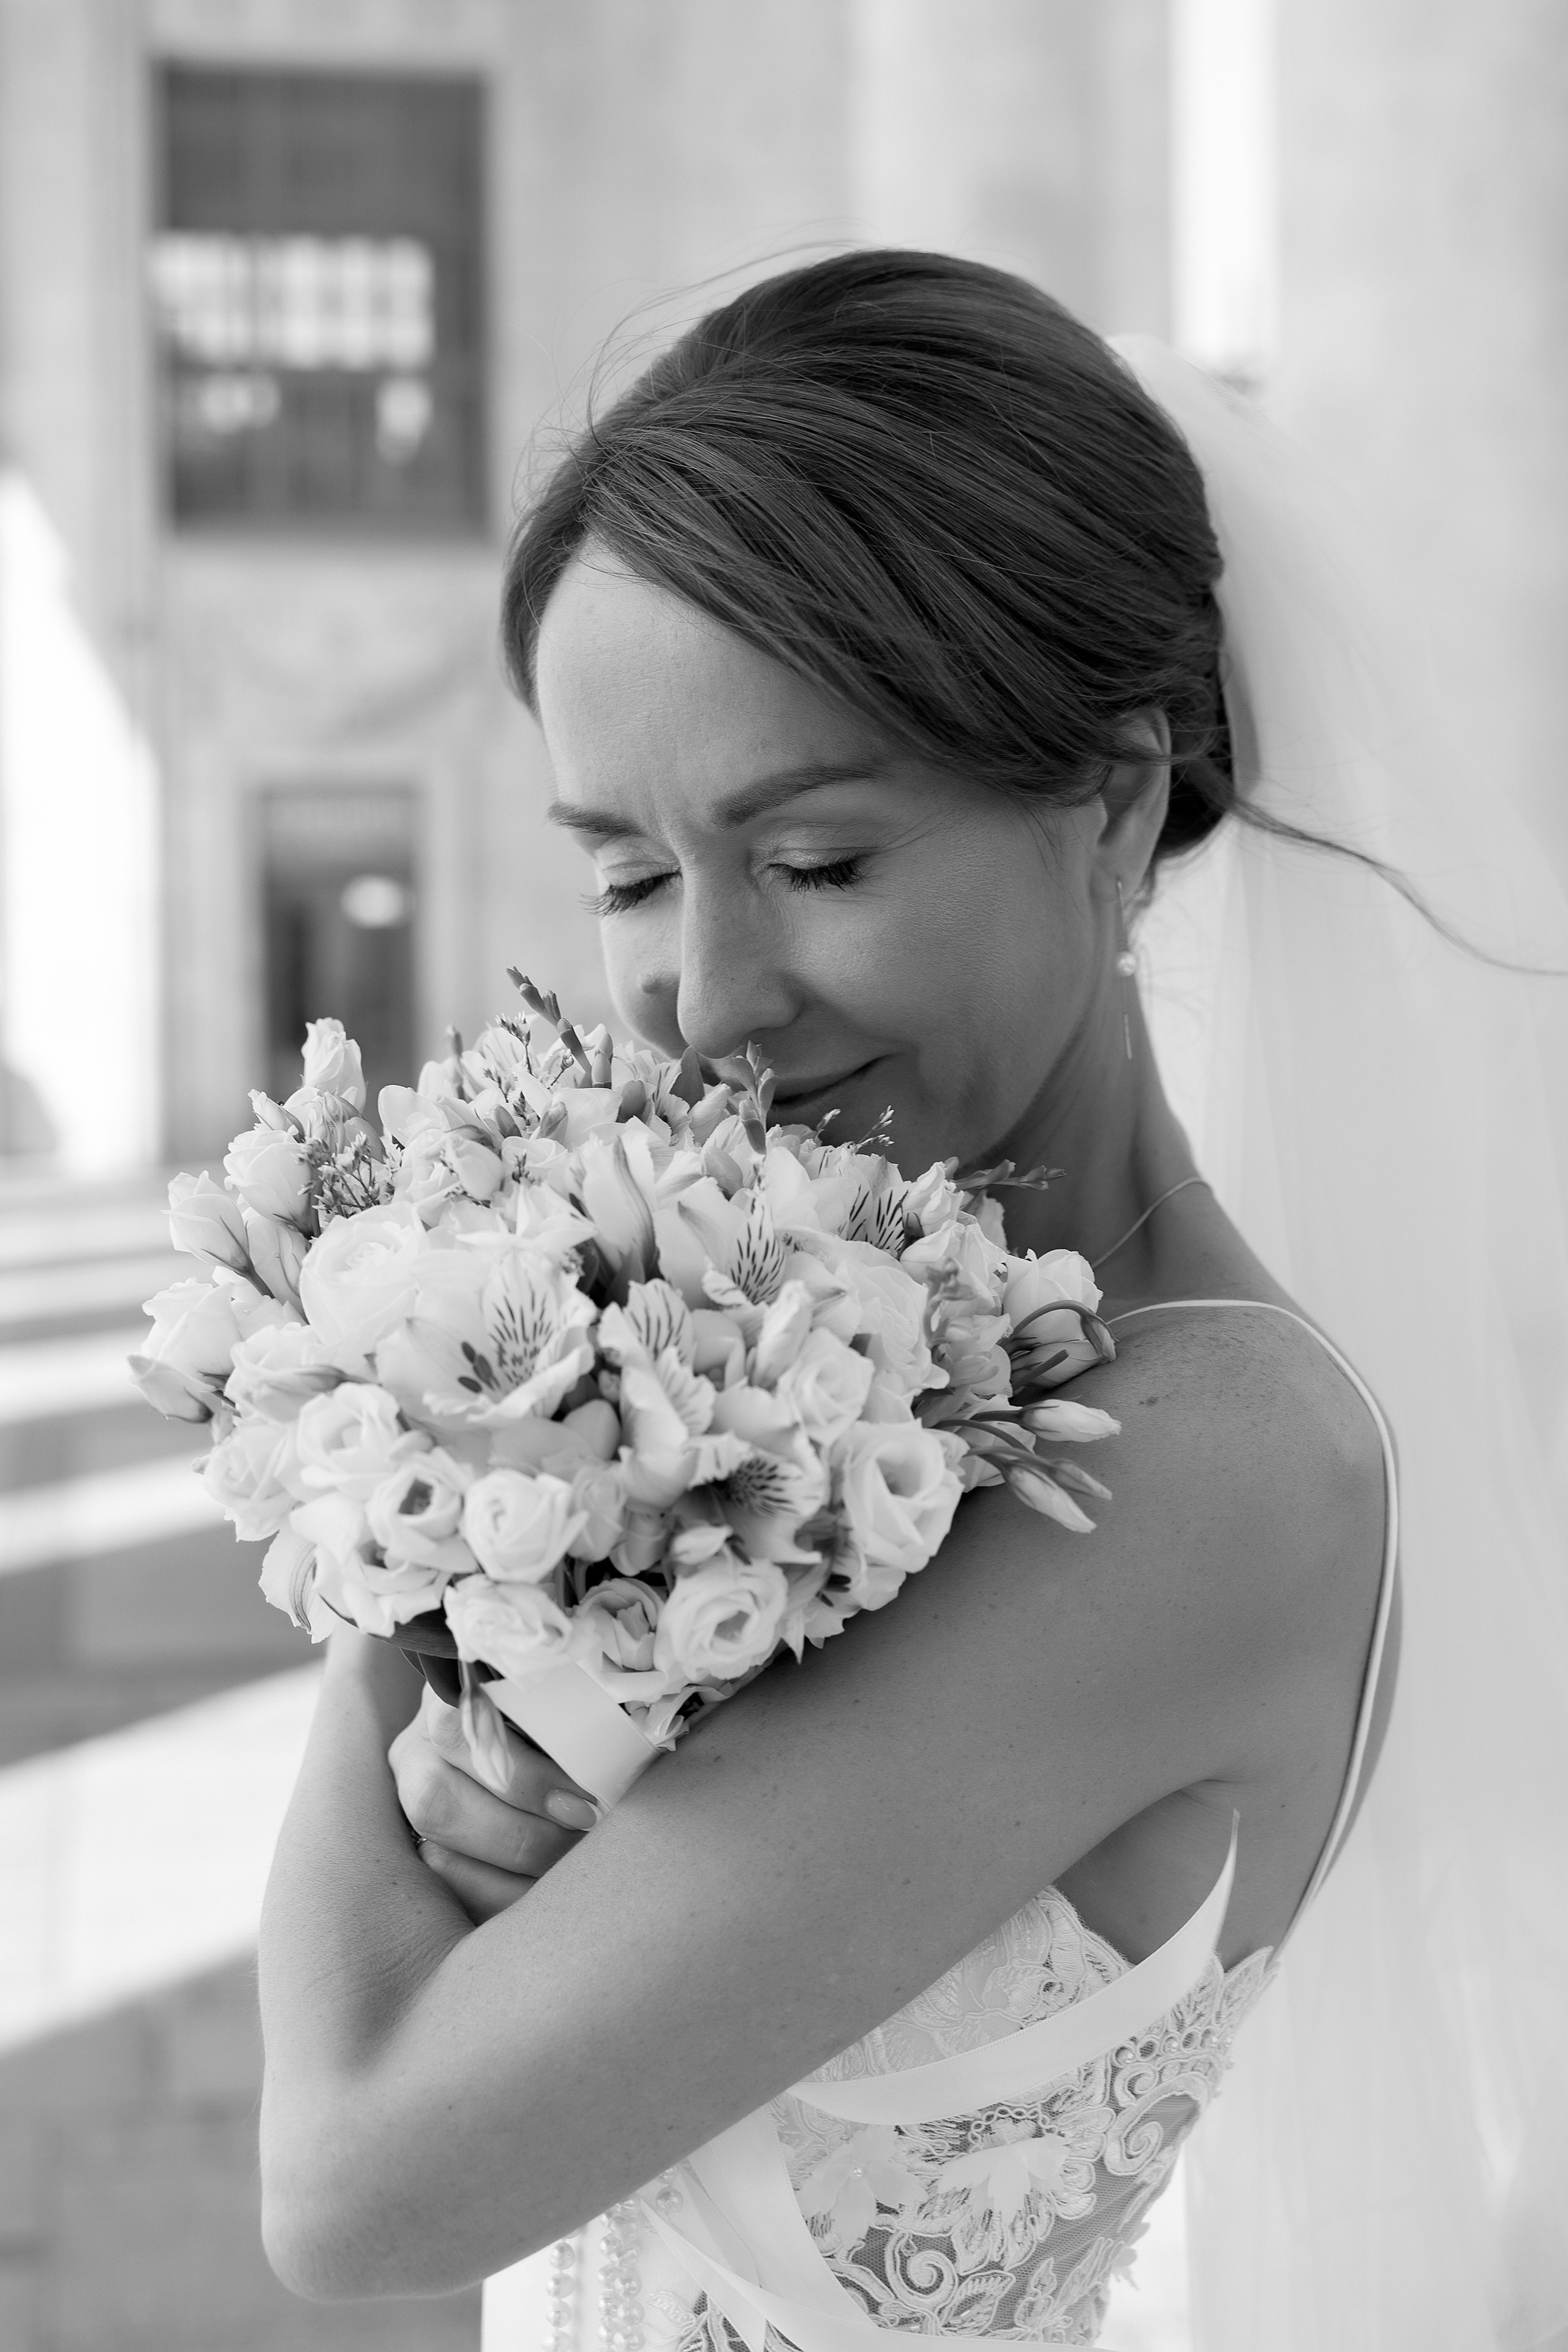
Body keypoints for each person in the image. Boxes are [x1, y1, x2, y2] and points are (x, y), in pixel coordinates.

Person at [257, 253, 1568, 2352]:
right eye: (623, 874)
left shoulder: (1212, 1472)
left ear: (1115, 802)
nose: (703, 996)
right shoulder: (800, 1392)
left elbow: (356, 2178)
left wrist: (406, 1487)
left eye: (821, 861)